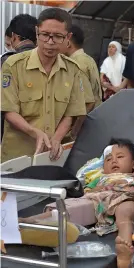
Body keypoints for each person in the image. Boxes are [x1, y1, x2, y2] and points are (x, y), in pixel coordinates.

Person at [19, 138, 134, 268]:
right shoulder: (100, 178)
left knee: (125, 213)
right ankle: (27, 222)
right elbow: (86, 191)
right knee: (64, 208)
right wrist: (95, 189)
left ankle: (124, 249)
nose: (113, 161)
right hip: (98, 200)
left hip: (126, 197)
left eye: (120, 157)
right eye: (109, 159)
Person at [1, 8, 86, 163]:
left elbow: (71, 113)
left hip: (52, 158)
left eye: (58, 37)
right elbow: (8, 110)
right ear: (36, 32)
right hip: (18, 157)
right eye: (45, 35)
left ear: (68, 37)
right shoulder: (13, 66)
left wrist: (56, 139)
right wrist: (34, 132)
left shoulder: (73, 70)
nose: (50, 42)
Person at [60, 24, 102, 140]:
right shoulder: (88, 59)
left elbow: (88, 103)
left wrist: (74, 131)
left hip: (84, 126)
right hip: (94, 120)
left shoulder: (76, 64)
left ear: (68, 42)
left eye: (60, 38)